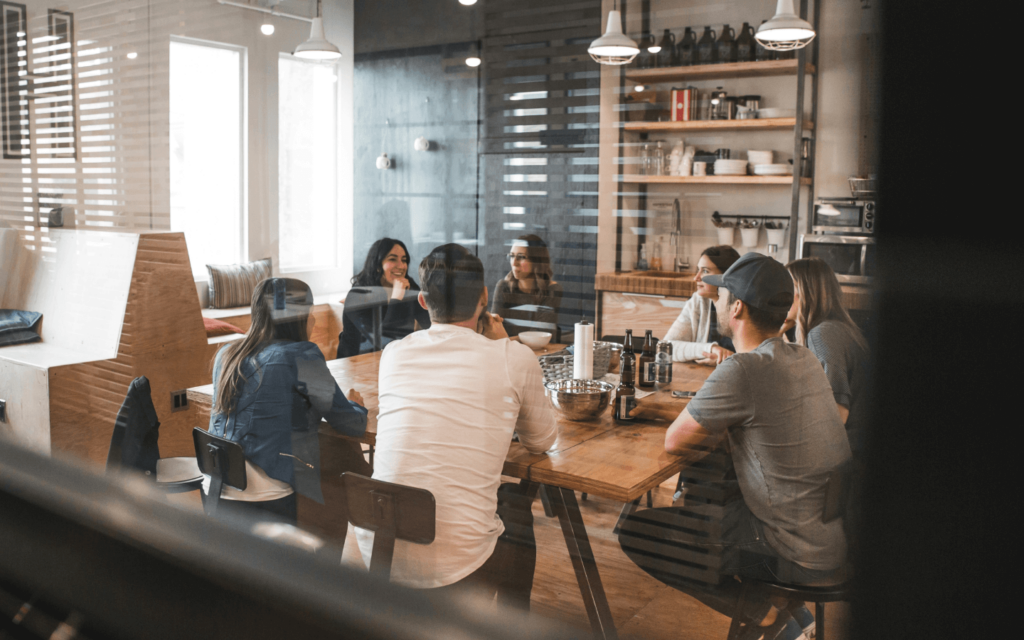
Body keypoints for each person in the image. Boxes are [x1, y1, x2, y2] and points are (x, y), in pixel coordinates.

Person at [621, 252, 852, 640]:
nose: (720, 301)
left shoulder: (744, 369)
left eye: (725, 293)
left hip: (789, 552)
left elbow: (675, 441)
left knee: (638, 532)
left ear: (738, 308)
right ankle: (785, 620)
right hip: (829, 537)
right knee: (712, 488)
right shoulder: (803, 358)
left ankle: (765, 614)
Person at [357, 243, 558, 608]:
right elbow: (542, 441)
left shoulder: (394, 354)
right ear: (484, 297)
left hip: (379, 547)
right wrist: (504, 346)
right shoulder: (514, 357)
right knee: (515, 509)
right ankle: (513, 625)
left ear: (422, 301)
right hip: (457, 563)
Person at [208, 278, 369, 525]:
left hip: (218, 490)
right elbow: (351, 424)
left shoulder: (226, 355)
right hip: (268, 497)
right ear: (300, 316)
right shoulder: (301, 356)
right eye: (310, 311)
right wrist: (356, 404)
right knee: (340, 463)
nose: (313, 318)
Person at [783, 257, 870, 456]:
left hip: (848, 456)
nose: (779, 295)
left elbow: (837, 416)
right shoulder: (834, 328)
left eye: (785, 287)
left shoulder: (823, 334)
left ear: (803, 292)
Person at [337, 238, 431, 358]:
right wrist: (397, 298)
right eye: (392, 259)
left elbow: (430, 324)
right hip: (356, 364)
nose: (401, 266)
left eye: (404, 260)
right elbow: (383, 342)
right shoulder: (358, 295)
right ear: (377, 265)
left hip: (395, 360)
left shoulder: (409, 286)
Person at [662, 245, 741, 365]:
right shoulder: (698, 302)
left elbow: (758, 358)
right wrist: (711, 349)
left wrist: (726, 360)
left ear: (726, 276)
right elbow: (665, 348)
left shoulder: (745, 306)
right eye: (697, 270)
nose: (696, 278)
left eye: (705, 271)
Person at [491, 234, 563, 340]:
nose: (514, 263)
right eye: (511, 256)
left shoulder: (552, 290)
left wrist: (506, 339)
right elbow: (493, 329)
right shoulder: (504, 287)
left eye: (521, 257)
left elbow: (541, 336)